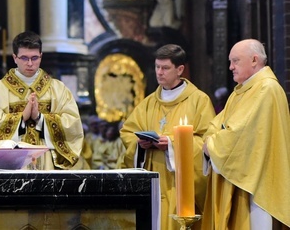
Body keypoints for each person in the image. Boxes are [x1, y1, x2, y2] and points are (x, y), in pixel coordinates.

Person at [120, 44, 215, 230]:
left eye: (165, 68)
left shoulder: (199, 101)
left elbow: (207, 141)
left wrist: (172, 144)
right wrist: (140, 145)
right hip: (152, 184)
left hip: (180, 186)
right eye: (157, 67)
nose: (159, 72)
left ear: (180, 69)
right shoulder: (147, 103)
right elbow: (127, 132)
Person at [202, 39, 290, 229]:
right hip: (243, 178)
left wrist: (211, 144)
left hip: (258, 185)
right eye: (230, 62)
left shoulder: (266, 89)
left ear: (254, 60)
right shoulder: (240, 92)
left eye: (235, 61)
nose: (231, 67)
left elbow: (239, 134)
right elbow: (216, 124)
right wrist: (212, 139)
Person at [0, 31, 84, 169]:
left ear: (41, 56)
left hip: (47, 163)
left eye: (35, 58)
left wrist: (40, 118)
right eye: (24, 58)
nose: (30, 63)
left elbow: (73, 126)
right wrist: (21, 118)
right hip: (12, 164)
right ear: (15, 58)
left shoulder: (58, 89)